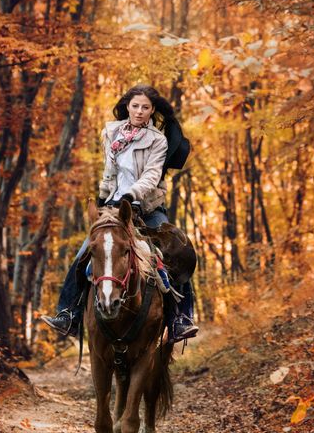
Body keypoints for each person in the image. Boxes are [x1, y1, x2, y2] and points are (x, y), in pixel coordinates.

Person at [41, 84, 198, 343]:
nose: (139, 111)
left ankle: (180, 319)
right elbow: (110, 172)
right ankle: (68, 314)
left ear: (152, 111)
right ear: (127, 106)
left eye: (145, 107)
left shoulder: (158, 140)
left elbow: (152, 175)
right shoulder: (111, 133)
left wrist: (132, 196)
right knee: (84, 253)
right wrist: (104, 197)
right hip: (114, 205)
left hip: (147, 206)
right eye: (135, 106)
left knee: (175, 252)